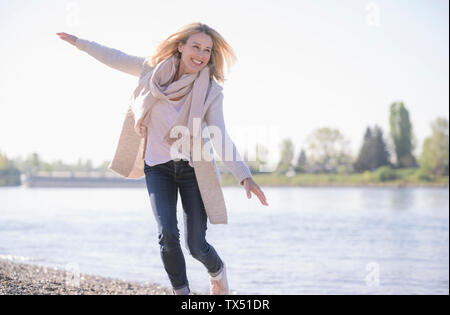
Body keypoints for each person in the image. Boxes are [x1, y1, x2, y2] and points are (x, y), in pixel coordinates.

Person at [56, 22, 268, 295]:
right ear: (181, 47)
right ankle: (182, 293)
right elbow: (116, 57)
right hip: (158, 168)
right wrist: (81, 43)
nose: (201, 54)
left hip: (193, 170)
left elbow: (220, 136)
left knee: (196, 245)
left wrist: (244, 177)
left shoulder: (211, 91)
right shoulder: (152, 70)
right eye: (196, 46)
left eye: (207, 50)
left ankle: (218, 271)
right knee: (167, 235)